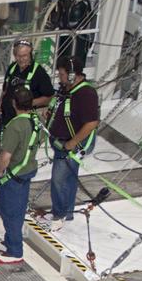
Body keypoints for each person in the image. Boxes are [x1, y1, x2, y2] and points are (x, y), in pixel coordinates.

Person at [44, 56, 100, 230]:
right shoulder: (67, 89)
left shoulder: (86, 94)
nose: (59, 77)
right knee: (67, 179)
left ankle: (59, 214)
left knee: (60, 180)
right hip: (61, 141)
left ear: (72, 75)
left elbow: (92, 123)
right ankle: (64, 212)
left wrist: (71, 143)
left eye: (61, 74)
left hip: (70, 145)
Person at [0, 87, 43, 265]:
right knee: (17, 210)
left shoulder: (15, 125)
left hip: (13, 175)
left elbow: (6, 155)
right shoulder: (36, 121)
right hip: (26, 171)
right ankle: (9, 241)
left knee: (10, 211)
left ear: (14, 103)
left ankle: (15, 250)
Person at [0, 40, 53, 132]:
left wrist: (26, 103)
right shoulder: (12, 68)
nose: (21, 59)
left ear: (30, 55)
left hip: (24, 123)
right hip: (7, 119)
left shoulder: (39, 72)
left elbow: (49, 97)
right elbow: (5, 92)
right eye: (18, 56)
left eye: (25, 56)